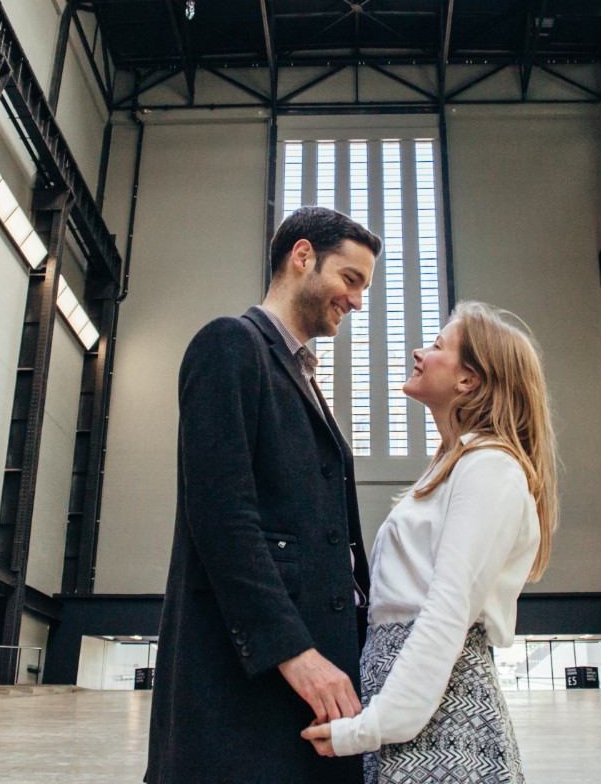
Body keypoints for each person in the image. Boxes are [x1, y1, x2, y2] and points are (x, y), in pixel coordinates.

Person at [144, 206, 382, 784]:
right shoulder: (230, 345)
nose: (356, 300)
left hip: (311, 681)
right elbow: (224, 520)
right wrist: (295, 653)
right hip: (249, 689)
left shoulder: (303, 377)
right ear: (302, 257)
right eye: (350, 279)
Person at [301, 301, 559, 784]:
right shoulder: (456, 466)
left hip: (441, 717)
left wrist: (367, 729)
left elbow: (446, 612)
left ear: (469, 381)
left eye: (438, 346)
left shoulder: (490, 468)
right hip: (411, 704)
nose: (419, 353)